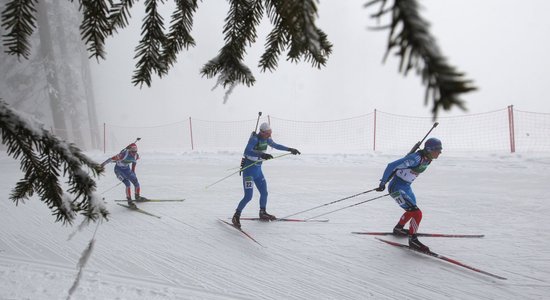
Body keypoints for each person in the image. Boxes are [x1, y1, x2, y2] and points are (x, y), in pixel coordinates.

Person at [375, 137, 443, 252]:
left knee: (412, 210)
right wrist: (383, 183)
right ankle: (413, 240)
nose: (440, 153)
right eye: (438, 150)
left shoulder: (427, 158)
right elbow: (391, 166)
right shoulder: (415, 159)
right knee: (417, 213)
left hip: (406, 187)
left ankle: (399, 229)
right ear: (430, 149)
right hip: (397, 187)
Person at [232, 122, 301, 228]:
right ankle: (236, 216)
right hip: (249, 172)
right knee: (248, 196)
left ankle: (262, 212)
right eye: (268, 133)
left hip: (258, 171)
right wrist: (262, 154)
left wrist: (290, 149)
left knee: (264, 192)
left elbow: (276, 145)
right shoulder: (254, 139)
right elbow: (246, 152)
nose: (270, 135)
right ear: (262, 132)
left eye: (270, 133)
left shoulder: (267, 139)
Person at [101, 143, 146, 208]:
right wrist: (102, 165)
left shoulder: (136, 156)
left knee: (136, 182)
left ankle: (137, 196)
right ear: (130, 150)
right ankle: (129, 201)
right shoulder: (123, 155)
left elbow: (134, 162)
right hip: (118, 170)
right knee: (127, 184)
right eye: (133, 149)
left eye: (135, 149)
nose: (134, 151)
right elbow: (110, 159)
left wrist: (133, 171)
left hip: (127, 170)